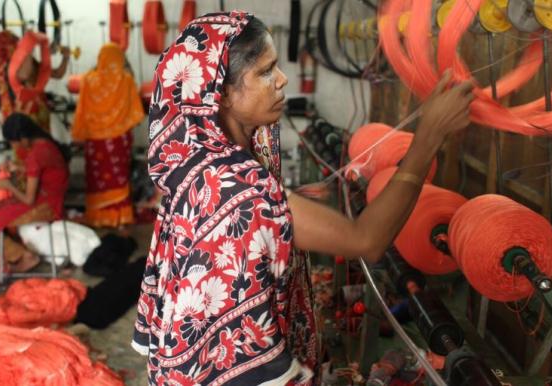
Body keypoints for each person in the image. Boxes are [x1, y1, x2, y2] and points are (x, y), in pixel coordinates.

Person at [133, 12, 473, 385]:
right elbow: (367, 240)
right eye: (266, 71)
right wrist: (428, 139)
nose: (282, 80)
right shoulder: (242, 190)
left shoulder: (195, 161)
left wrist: (288, 204)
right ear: (222, 92)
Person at [0, 113, 70, 273]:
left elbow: (29, 200)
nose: (15, 146)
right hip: (52, 200)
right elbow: (46, 170)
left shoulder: (36, 155)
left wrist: (8, 186)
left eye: (13, 142)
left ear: (23, 138)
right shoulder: (47, 144)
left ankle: (23, 255)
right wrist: (20, 168)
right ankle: (20, 253)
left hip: (44, 206)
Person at [71, 43, 144, 228]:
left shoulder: (88, 80)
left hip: (95, 142)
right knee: (118, 176)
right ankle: (119, 217)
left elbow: (81, 109)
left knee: (98, 179)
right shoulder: (126, 80)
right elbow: (135, 113)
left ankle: (98, 217)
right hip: (118, 140)